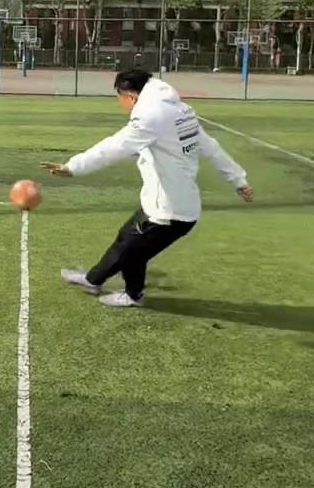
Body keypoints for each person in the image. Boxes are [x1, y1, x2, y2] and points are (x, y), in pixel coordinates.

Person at [42, 68, 253, 310]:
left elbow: (114, 147)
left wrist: (72, 167)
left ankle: (131, 295)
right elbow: (212, 148)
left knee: (131, 251)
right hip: (168, 203)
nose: (119, 103)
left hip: (169, 212)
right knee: (126, 239)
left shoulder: (150, 118)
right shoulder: (181, 111)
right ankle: (94, 280)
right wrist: (239, 180)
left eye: (119, 97)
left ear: (130, 96)